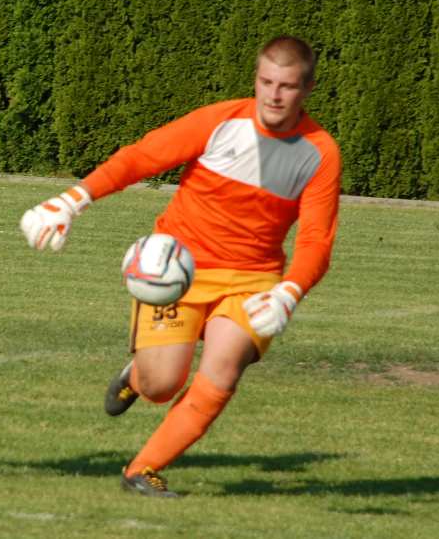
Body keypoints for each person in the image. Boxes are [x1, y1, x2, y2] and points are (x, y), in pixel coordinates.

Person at [20, 35, 340, 497]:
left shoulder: (320, 152)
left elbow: (317, 239)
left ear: (306, 90)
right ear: (255, 79)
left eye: (286, 86)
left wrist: (290, 291)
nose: (273, 95)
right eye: (266, 82)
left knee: (224, 369)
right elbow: (141, 157)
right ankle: (137, 377)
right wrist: (73, 200)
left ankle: (142, 469)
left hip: (254, 279)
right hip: (178, 269)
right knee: (162, 384)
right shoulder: (220, 122)